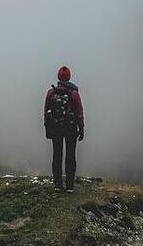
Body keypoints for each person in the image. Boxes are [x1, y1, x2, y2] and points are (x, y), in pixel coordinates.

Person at [44, 65, 84, 193]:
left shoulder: (51, 93)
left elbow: (46, 111)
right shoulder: (74, 93)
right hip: (70, 128)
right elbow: (79, 112)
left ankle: (57, 184)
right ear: (69, 77)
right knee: (70, 156)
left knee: (57, 155)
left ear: (58, 77)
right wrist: (81, 128)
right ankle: (70, 186)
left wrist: (47, 126)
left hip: (55, 128)